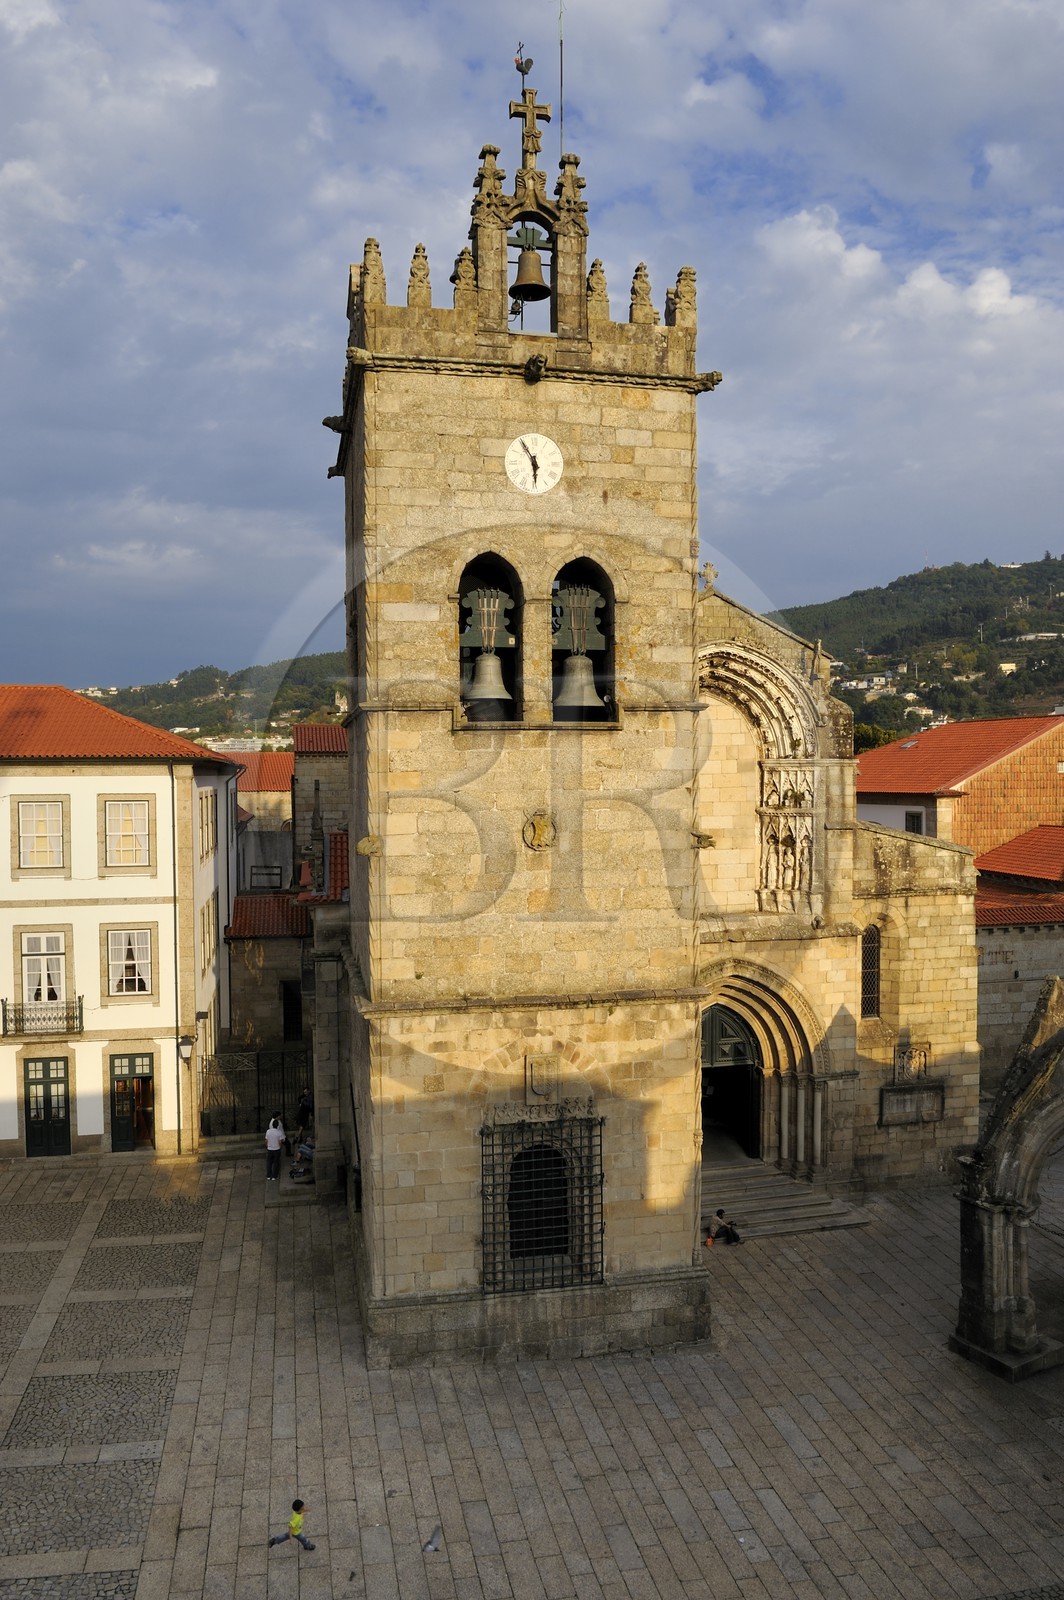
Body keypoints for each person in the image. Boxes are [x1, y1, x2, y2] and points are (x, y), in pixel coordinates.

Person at [264, 1115, 286, 1181]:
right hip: (276, 1149)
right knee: (276, 1163)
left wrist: (267, 1146)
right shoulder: (279, 1132)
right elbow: (280, 1141)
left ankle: (268, 1175)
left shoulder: (268, 1131)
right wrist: (280, 1147)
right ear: (277, 1126)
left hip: (270, 1149)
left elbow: (266, 1140)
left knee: (269, 1163)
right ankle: (274, 1176)